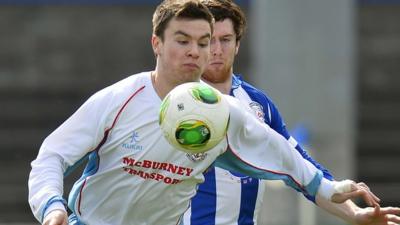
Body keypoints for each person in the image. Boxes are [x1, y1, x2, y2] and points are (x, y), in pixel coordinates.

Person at [28, 1, 390, 225]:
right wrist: (51, 207)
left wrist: (330, 187)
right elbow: (52, 154)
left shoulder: (229, 112)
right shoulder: (119, 99)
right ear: (157, 43)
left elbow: (284, 156)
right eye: (183, 41)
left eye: (204, 42)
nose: (198, 52)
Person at [183, 1, 400, 225]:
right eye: (209, 41)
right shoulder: (180, 102)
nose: (217, 49)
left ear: (237, 44)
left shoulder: (259, 104)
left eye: (226, 39)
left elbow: (300, 166)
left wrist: (354, 214)